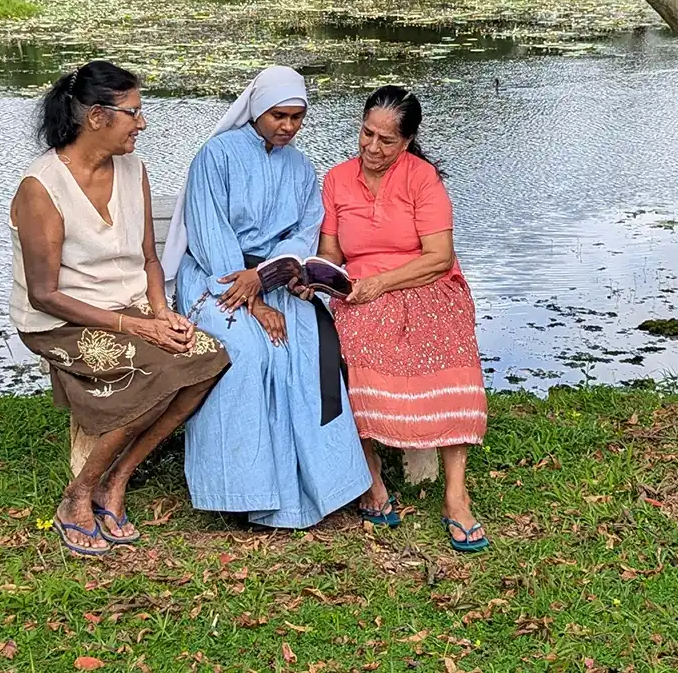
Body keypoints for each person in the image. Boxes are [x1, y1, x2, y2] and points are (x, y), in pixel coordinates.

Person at [10, 61, 229, 556]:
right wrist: (136, 326)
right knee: (152, 373)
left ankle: (116, 481)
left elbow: (151, 257)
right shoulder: (41, 188)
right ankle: (77, 496)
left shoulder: (133, 169)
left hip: (131, 308)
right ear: (96, 118)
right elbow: (44, 294)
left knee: (207, 359)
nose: (142, 123)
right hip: (59, 321)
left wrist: (160, 311)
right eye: (133, 112)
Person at [164, 66, 372, 528]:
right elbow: (209, 231)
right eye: (280, 115)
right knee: (252, 352)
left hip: (270, 280)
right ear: (258, 109)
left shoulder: (300, 167)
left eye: (298, 117)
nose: (288, 126)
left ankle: (318, 484)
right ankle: (242, 491)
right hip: (218, 281)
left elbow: (303, 231)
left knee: (303, 348)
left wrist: (274, 275)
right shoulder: (215, 155)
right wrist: (253, 299)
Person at [317, 86, 490, 552]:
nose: (372, 148)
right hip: (359, 291)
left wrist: (383, 283)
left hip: (424, 282)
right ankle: (372, 477)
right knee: (357, 342)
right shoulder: (336, 180)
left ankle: (456, 495)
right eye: (366, 134)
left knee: (449, 340)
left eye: (386, 140)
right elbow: (332, 253)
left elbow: (439, 256)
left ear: (408, 141)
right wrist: (318, 274)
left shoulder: (422, 179)